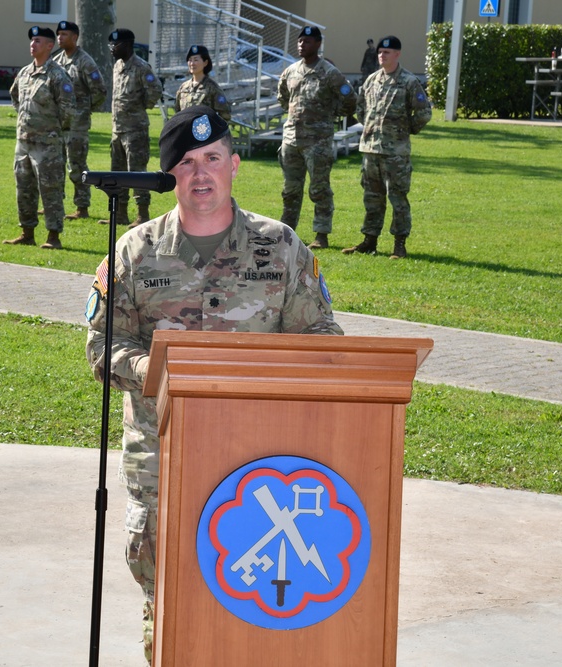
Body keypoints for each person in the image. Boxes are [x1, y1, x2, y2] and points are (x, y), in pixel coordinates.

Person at [84, 106, 343, 665]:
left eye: (212, 159)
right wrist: (163, 371)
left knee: (253, 610)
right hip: (162, 458)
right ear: (169, 176)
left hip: (261, 465)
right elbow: (102, 346)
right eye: (185, 163)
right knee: (168, 605)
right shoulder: (134, 251)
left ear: (235, 165)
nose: (200, 174)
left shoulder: (281, 248)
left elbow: (322, 337)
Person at [343, 35, 431, 259]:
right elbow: (361, 109)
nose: (382, 55)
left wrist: (404, 130)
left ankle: (399, 244)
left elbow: (424, 112)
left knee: (398, 197)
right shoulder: (371, 80)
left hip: (396, 153)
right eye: (380, 52)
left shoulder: (409, 82)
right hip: (371, 150)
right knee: (372, 197)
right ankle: (369, 240)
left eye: (387, 52)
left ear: (397, 54)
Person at [277, 26, 356, 250]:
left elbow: (349, 99)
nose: (302, 45)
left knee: (319, 189)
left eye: (308, 41)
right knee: (290, 189)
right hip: (292, 139)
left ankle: (321, 234)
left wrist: (330, 115)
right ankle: (287, 231)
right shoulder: (290, 71)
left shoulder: (329, 73)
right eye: (300, 41)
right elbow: (282, 97)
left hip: (318, 142)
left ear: (318, 44)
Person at [4, 26, 74, 250]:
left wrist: (49, 129)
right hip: (24, 143)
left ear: (49, 46)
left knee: (50, 190)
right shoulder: (24, 73)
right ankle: (27, 232)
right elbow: (15, 96)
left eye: (37, 41)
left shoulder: (57, 75)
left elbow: (68, 110)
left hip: (47, 145)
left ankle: (54, 236)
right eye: (31, 41)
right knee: (24, 189)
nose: (32, 45)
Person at [102, 28, 163, 227]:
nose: (112, 48)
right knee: (117, 173)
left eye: (116, 45)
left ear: (128, 44)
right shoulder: (117, 66)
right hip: (117, 130)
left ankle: (142, 215)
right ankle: (120, 214)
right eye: (111, 44)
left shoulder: (141, 67)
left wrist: (140, 106)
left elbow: (155, 91)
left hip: (135, 131)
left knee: (137, 173)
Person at [53, 20, 108, 221]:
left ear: (75, 37)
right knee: (57, 163)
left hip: (77, 125)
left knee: (77, 165)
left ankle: (82, 206)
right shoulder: (57, 61)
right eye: (58, 34)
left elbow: (100, 90)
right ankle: (55, 204)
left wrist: (84, 110)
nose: (60, 38)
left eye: (65, 34)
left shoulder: (85, 61)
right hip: (59, 123)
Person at [173, 44, 230, 121]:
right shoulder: (183, 87)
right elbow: (177, 112)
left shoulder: (213, 88)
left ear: (205, 63)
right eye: (190, 60)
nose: (192, 63)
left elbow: (225, 115)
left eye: (196, 60)